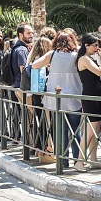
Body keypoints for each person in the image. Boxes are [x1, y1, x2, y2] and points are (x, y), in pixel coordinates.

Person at [32, 31, 83, 168]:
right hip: (74, 96)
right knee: (75, 130)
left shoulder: (52, 54)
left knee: (61, 131)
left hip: (56, 98)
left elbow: (34, 65)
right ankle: (78, 160)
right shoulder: (77, 54)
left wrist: (49, 67)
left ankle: (62, 160)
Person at [74, 33, 101, 172]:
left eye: (98, 45)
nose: (97, 48)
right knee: (90, 130)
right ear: (86, 45)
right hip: (90, 96)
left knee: (96, 129)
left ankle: (93, 160)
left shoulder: (89, 58)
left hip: (96, 95)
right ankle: (79, 161)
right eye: (94, 45)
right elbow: (99, 72)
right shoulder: (84, 59)